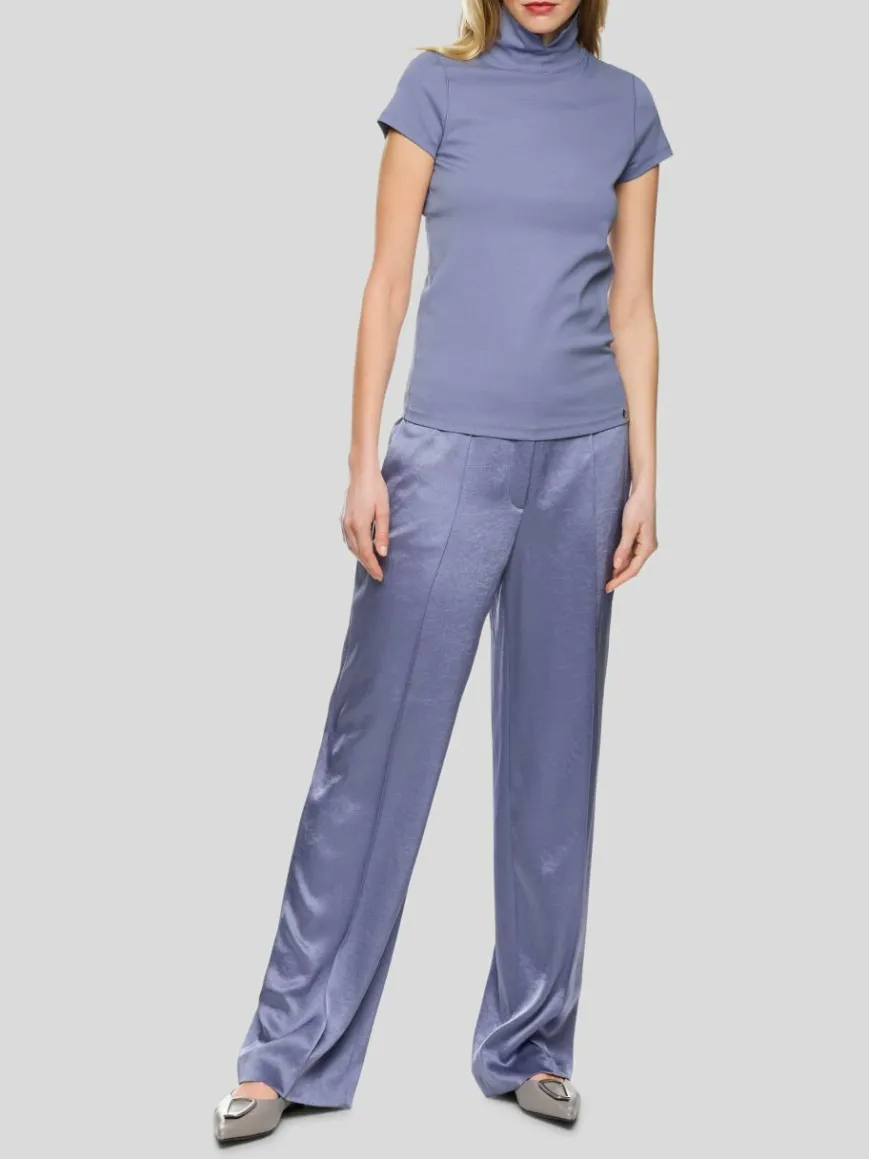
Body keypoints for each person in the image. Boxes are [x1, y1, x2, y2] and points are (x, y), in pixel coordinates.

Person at [215, 0, 672, 1140]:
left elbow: (631, 307)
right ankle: (284, 1052)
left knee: (553, 762)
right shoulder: (432, 89)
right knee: (368, 756)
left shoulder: (626, 108)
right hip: (443, 456)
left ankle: (530, 1044)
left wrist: (647, 476)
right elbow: (383, 284)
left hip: (585, 459)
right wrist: (361, 462)